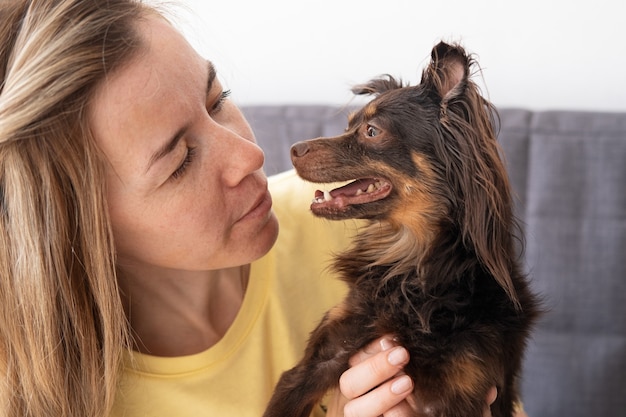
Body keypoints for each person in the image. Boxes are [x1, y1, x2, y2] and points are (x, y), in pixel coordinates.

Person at [0, 1, 529, 416]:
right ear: (78, 221)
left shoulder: (385, 229)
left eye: (217, 100)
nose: (250, 155)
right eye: (180, 160)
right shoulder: (65, 397)